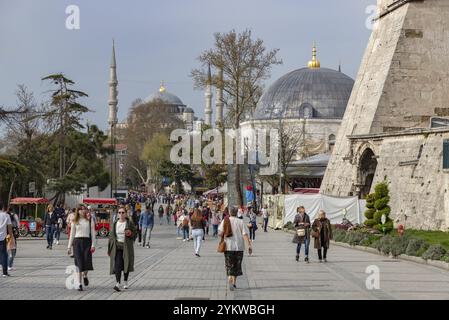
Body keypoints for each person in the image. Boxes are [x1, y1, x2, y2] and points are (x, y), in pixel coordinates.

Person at [218, 207, 252, 291]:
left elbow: (220, 233)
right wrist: (249, 245)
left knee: (229, 264)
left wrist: (224, 234)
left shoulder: (225, 221)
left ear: (229, 212)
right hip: (239, 247)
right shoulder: (240, 222)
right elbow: (245, 234)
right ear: (237, 213)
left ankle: (229, 277)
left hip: (228, 246)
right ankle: (234, 283)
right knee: (237, 265)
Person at [67, 205, 96, 291]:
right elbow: (72, 235)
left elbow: (93, 234)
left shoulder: (90, 221)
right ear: (78, 211)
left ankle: (85, 275)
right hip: (77, 242)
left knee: (86, 263)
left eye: (84, 209)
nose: (83, 211)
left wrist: (93, 245)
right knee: (79, 263)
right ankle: (79, 284)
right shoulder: (74, 221)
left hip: (87, 242)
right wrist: (69, 247)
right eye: (81, 210)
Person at [108, 207, 137, 292]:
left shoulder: (129, 223)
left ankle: (125, 281)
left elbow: (135, 233)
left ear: (126, 213)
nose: (121, 214)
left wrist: (130, 233)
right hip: (117, 247)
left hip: (126, 247)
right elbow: (111, 236)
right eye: (119, 212)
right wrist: (109, 249)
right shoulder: (115, 223)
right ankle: (117, 283)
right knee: (117, 265)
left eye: (123, 212)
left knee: (126, 264)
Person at [0, 203, 13, 277]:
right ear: (2, 207)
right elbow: (9, 228)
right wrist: (10, 237)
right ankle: (4, 272)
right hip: (3, 237)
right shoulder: (6, 215)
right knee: (3, 254)